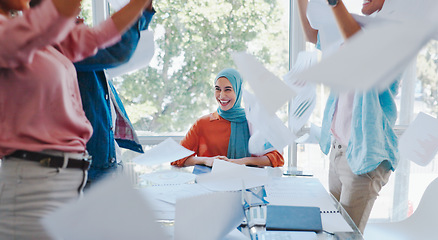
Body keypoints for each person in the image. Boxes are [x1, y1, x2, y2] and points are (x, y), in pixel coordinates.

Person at [0, 0, 152, 238]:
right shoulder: (7, 34)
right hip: (35, 182)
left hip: (67, 178)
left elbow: (100, 37)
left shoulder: (41, 38)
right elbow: (62, 10)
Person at [297, 0, 400, 233]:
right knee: (330, 231)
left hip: (365, 157)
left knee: (345, 236)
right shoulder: (355, 29)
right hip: (339, 150)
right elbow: (313, 35)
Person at [74, 2, 155, 186]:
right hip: (88, 171)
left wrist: (144, 9)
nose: (80, 10)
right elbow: (117, 48)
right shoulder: (60, 45)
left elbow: (124, 45)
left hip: (104, 165)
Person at [171, 68, 284, 169]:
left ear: (238, 91)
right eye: (218, 89)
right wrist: (206, 160)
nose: (221, 95)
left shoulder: (253, 120)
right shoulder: (202, 124)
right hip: (209, 187)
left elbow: (277, 158)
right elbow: (176, 158)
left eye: (228, 89)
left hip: (248, 188)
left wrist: (242, 162)